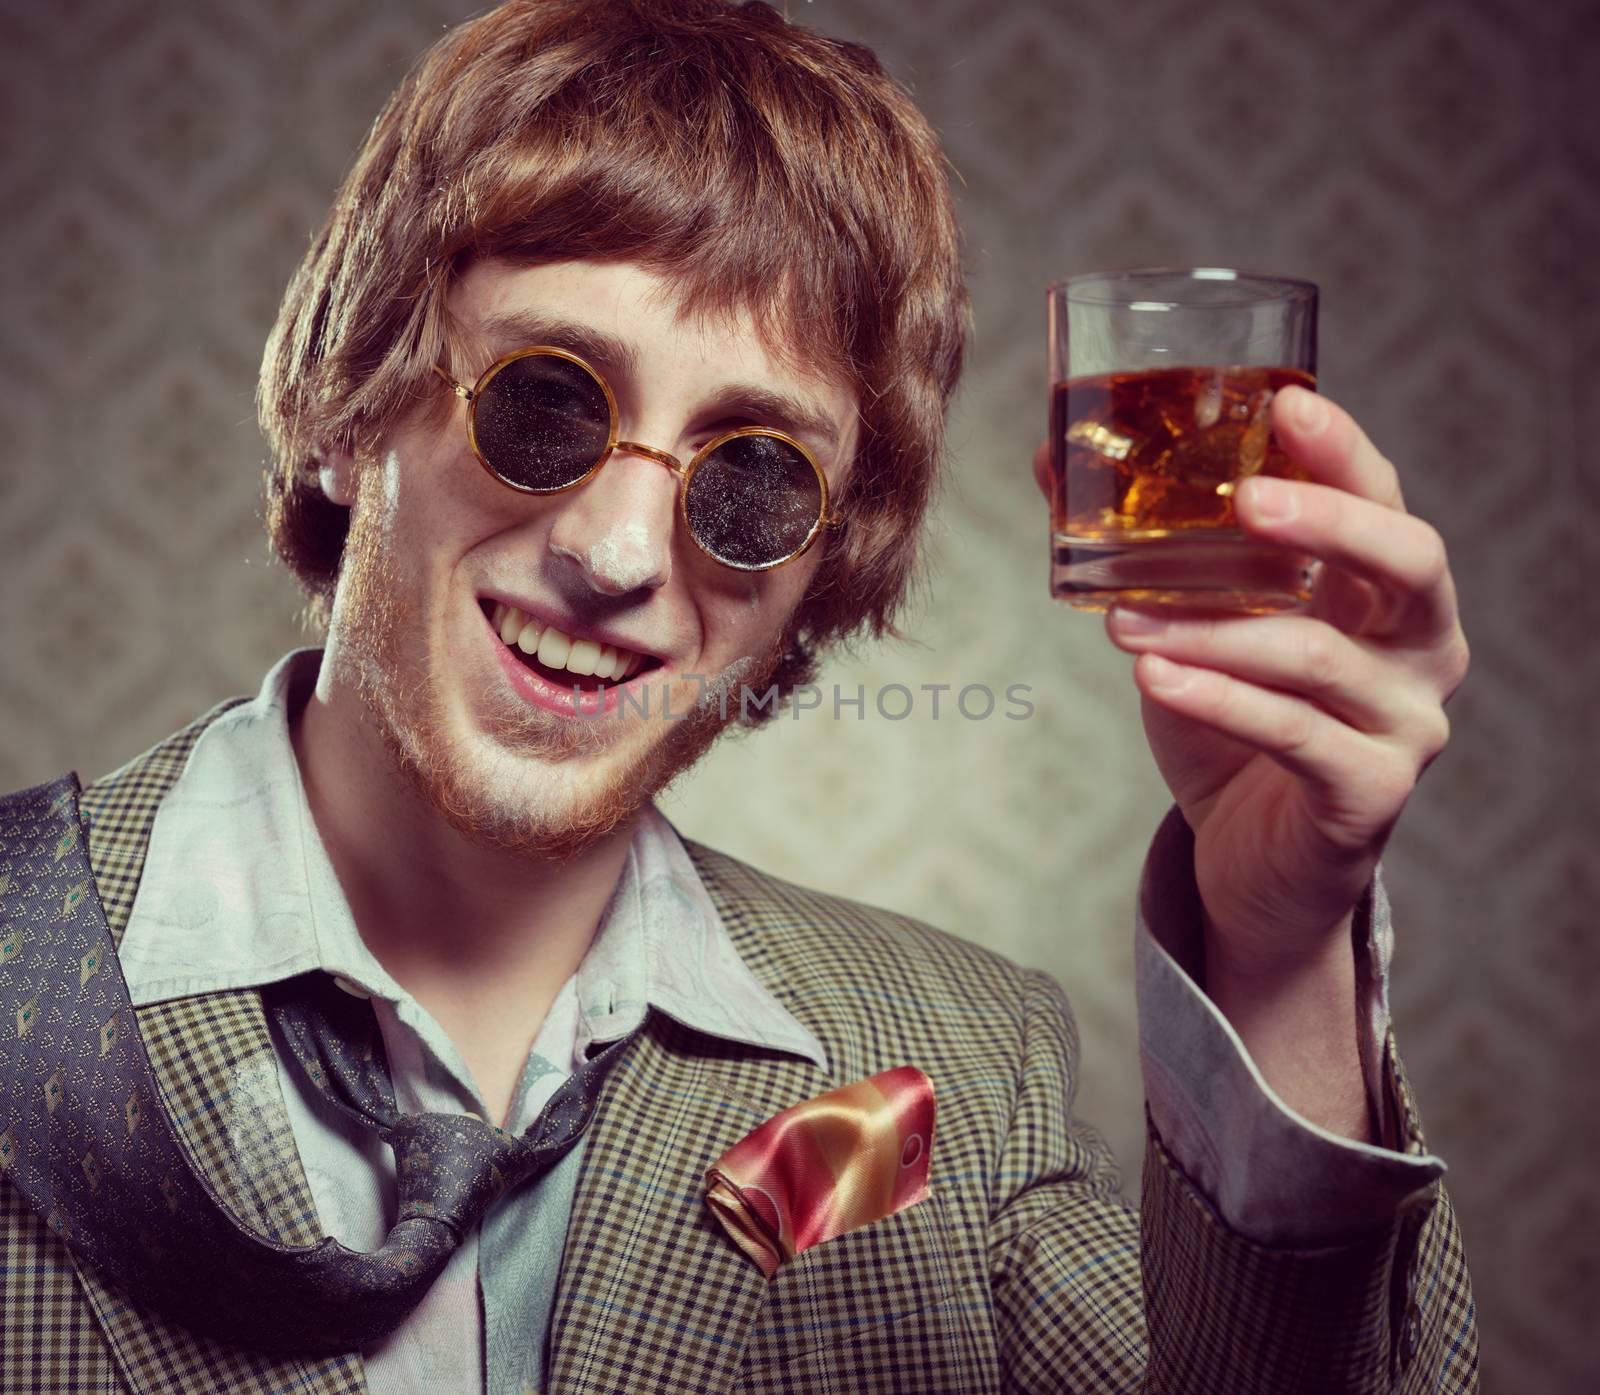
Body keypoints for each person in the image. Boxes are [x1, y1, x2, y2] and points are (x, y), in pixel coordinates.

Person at [0, 1, 1478, 1391]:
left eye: (755, 474)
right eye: (547, 399)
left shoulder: (968, 1068)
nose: (617, 551)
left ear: (818, 573)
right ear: (346, 406)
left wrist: (1279, 946)